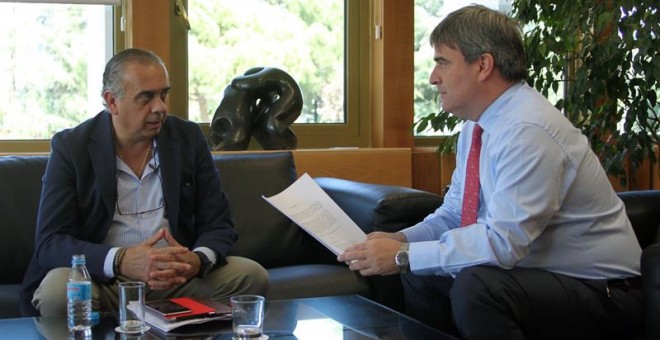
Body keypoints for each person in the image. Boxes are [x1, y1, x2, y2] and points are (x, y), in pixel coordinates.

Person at [338, 5, 642, 339]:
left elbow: (504, 244)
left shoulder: (528, 129)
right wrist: (402, 241)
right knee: (421, 271)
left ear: (483, 65)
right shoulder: (477, 126)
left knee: (477, 285)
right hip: (541, 278)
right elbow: (455, 213)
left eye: (442, 62)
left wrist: (401, 256)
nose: (432, 77)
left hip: (607, 292)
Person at [20, 48, 269, 317]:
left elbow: (219, 224)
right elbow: (50, 241)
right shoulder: (71, 147)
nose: (160, 107)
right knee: (58, 291)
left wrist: (197, 260)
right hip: (104, 283)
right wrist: (120, 261)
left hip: (176, 281)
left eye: (164, 94)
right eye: (146, 97)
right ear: (112, 101)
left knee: (250, 275)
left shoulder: (187, 138)